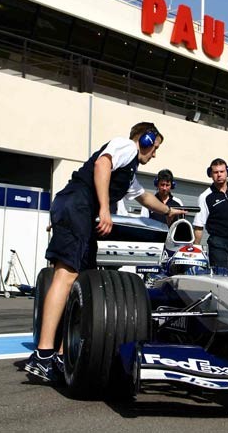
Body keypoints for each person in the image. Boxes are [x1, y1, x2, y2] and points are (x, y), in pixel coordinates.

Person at [25, 122, 186, 383]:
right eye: (154, 147)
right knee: (65, 275)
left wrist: (169, 211)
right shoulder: (125, 147)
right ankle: (43, 355)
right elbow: (102, 165)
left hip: (81, 212)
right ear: (144, 140)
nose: (154, 154)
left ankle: (61, 354)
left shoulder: (129, 171)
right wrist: (104, 208)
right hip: (79, 206)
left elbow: (144, 197)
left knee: (80, 284)